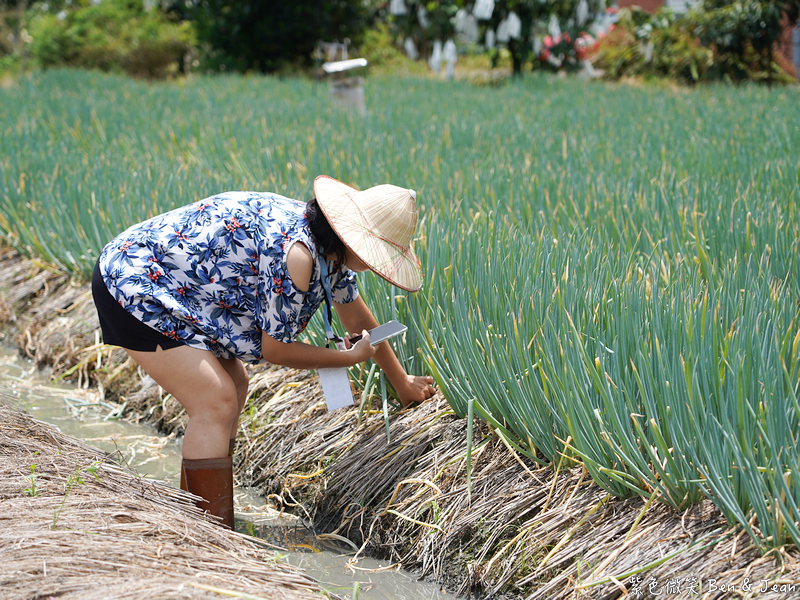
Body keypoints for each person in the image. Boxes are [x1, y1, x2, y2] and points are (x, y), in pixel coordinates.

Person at [91, 175, 436, 528]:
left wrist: (402, 382)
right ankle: (208, 536)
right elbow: (277, 350)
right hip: (134, 281)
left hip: (180, 290)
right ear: (357, 241)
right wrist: (348, 358)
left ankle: (204, 520)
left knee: (235, 385)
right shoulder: (299, 254)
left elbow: (357, 319)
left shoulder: (331, 249)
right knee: (216, 399)